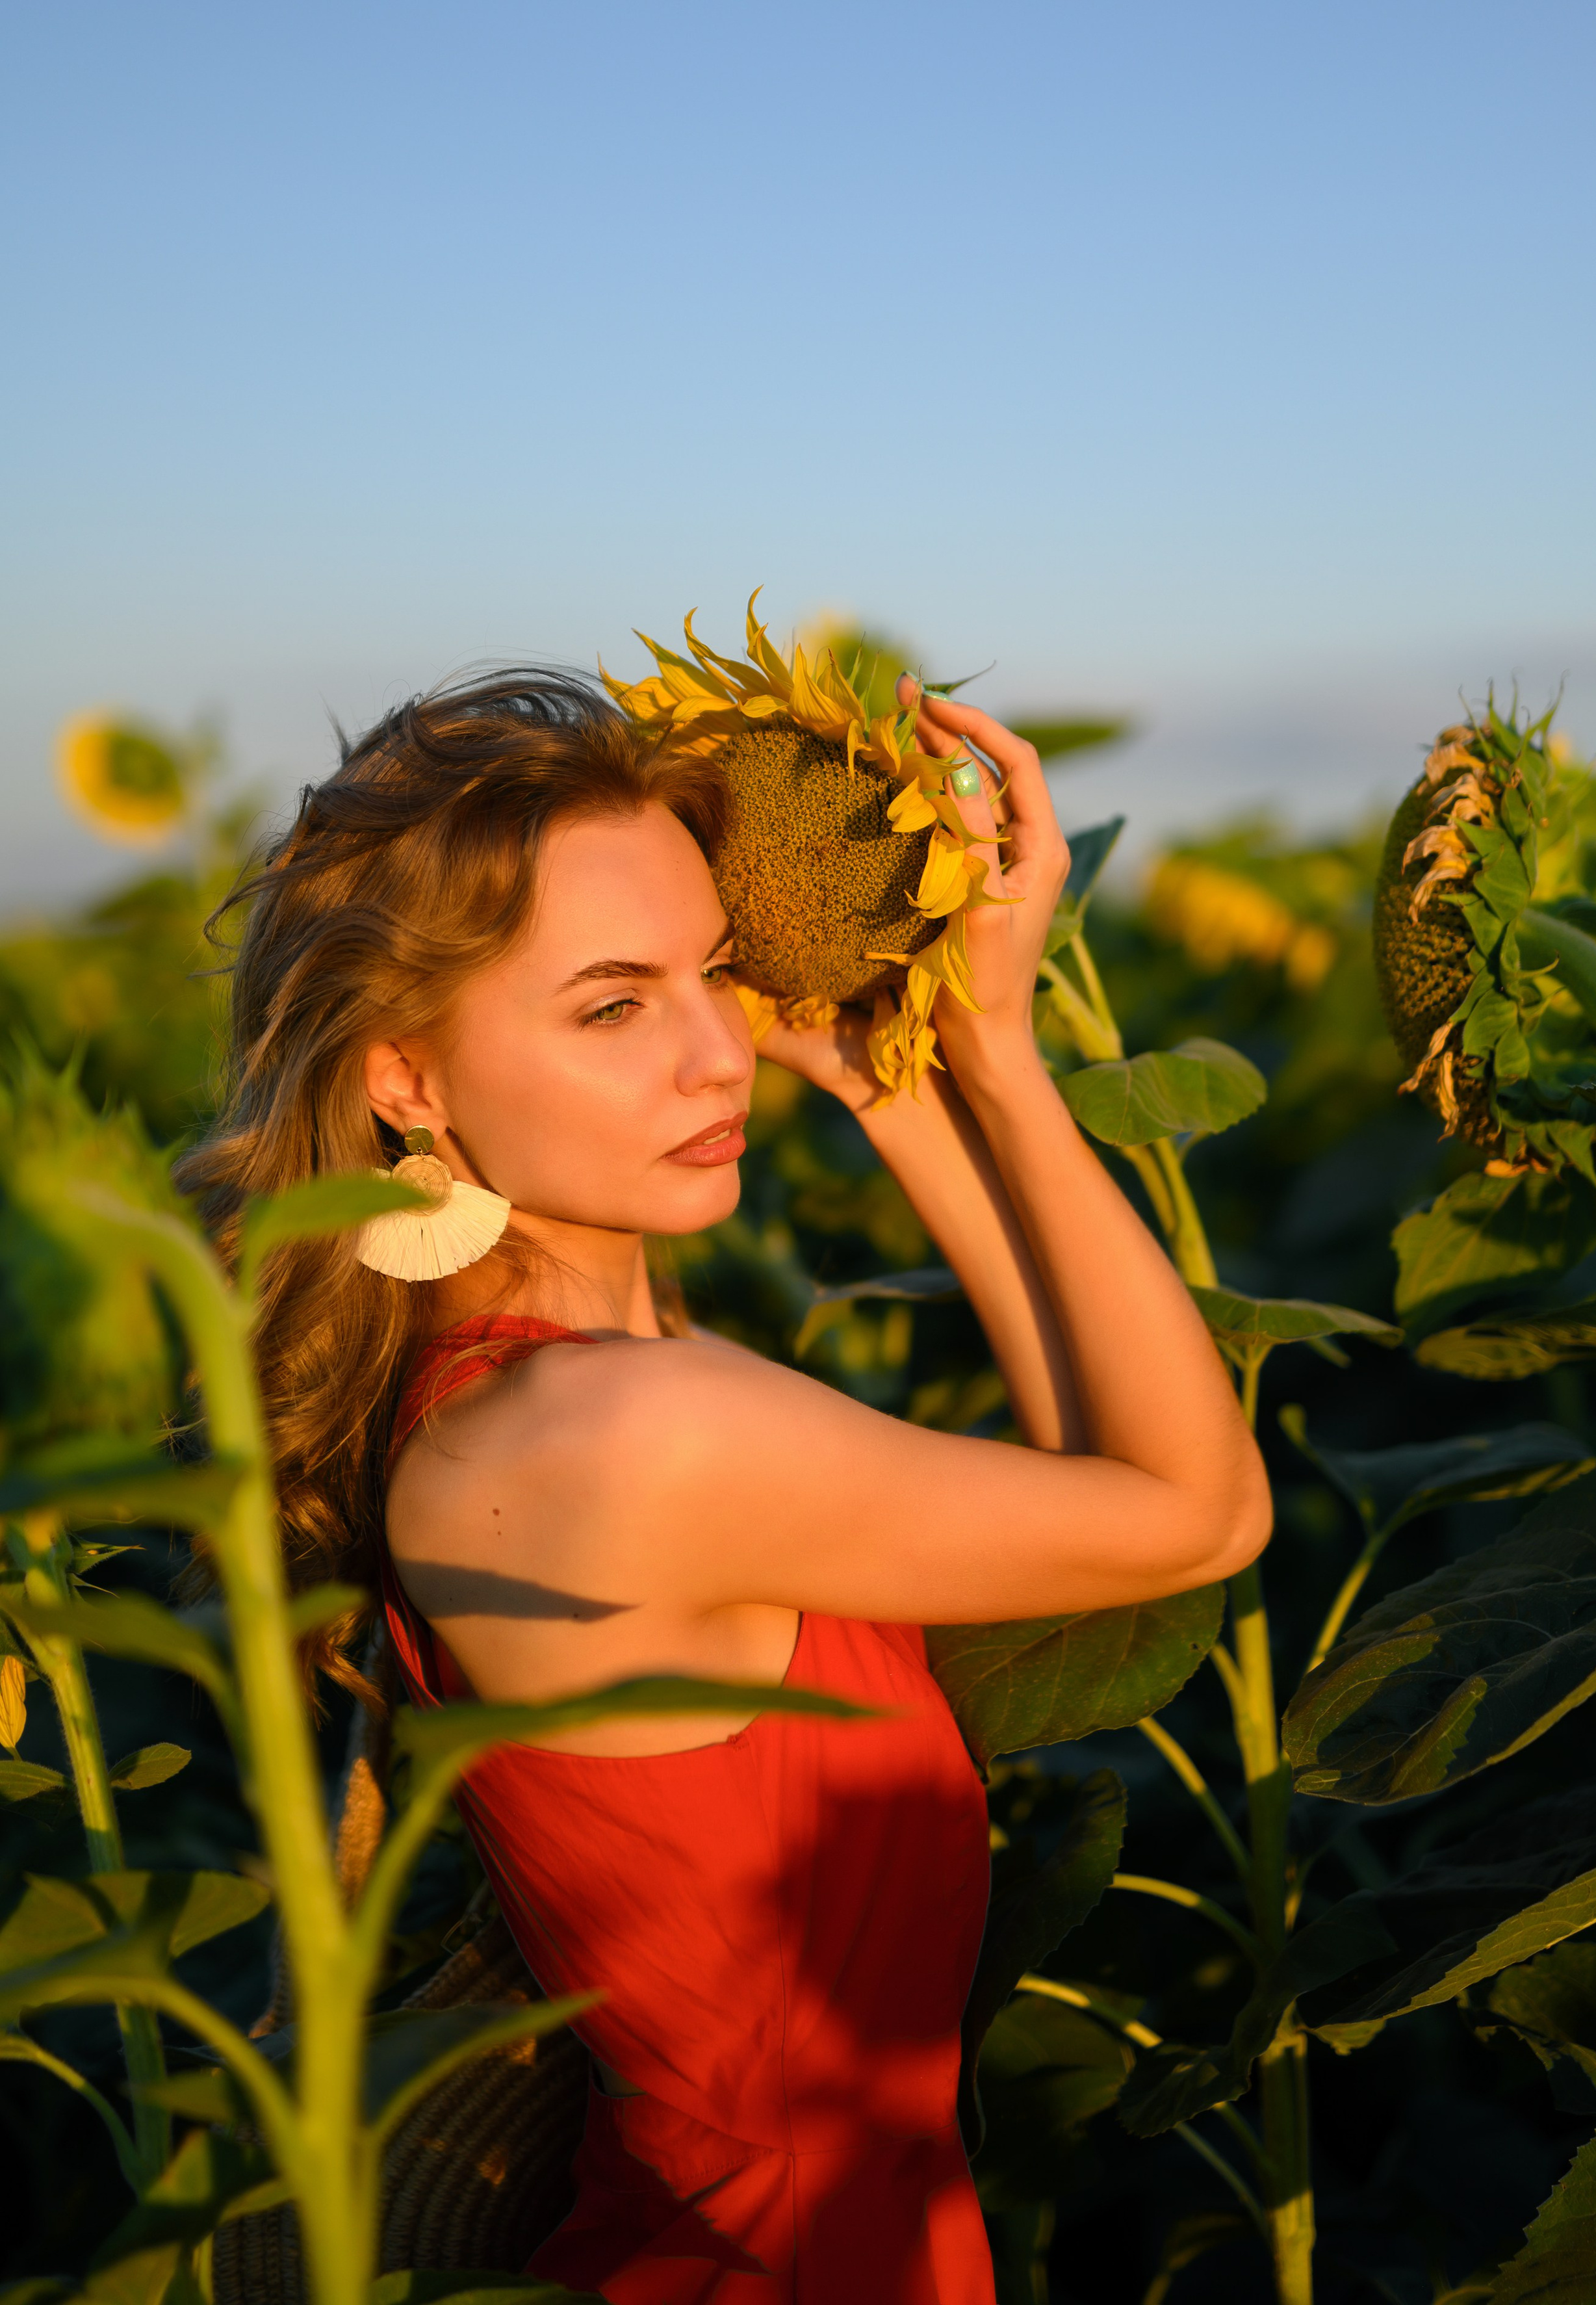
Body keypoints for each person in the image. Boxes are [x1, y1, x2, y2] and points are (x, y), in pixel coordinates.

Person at [183, 664, 1269, 2305]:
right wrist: (999, 1049)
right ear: (403, 1078)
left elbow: (1094, 1494)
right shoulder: (631, 1438)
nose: (715, 1055)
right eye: (611, 1004)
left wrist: (899, 1084)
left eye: (716, 971)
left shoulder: (537, 1404)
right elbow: (1195, 1513)